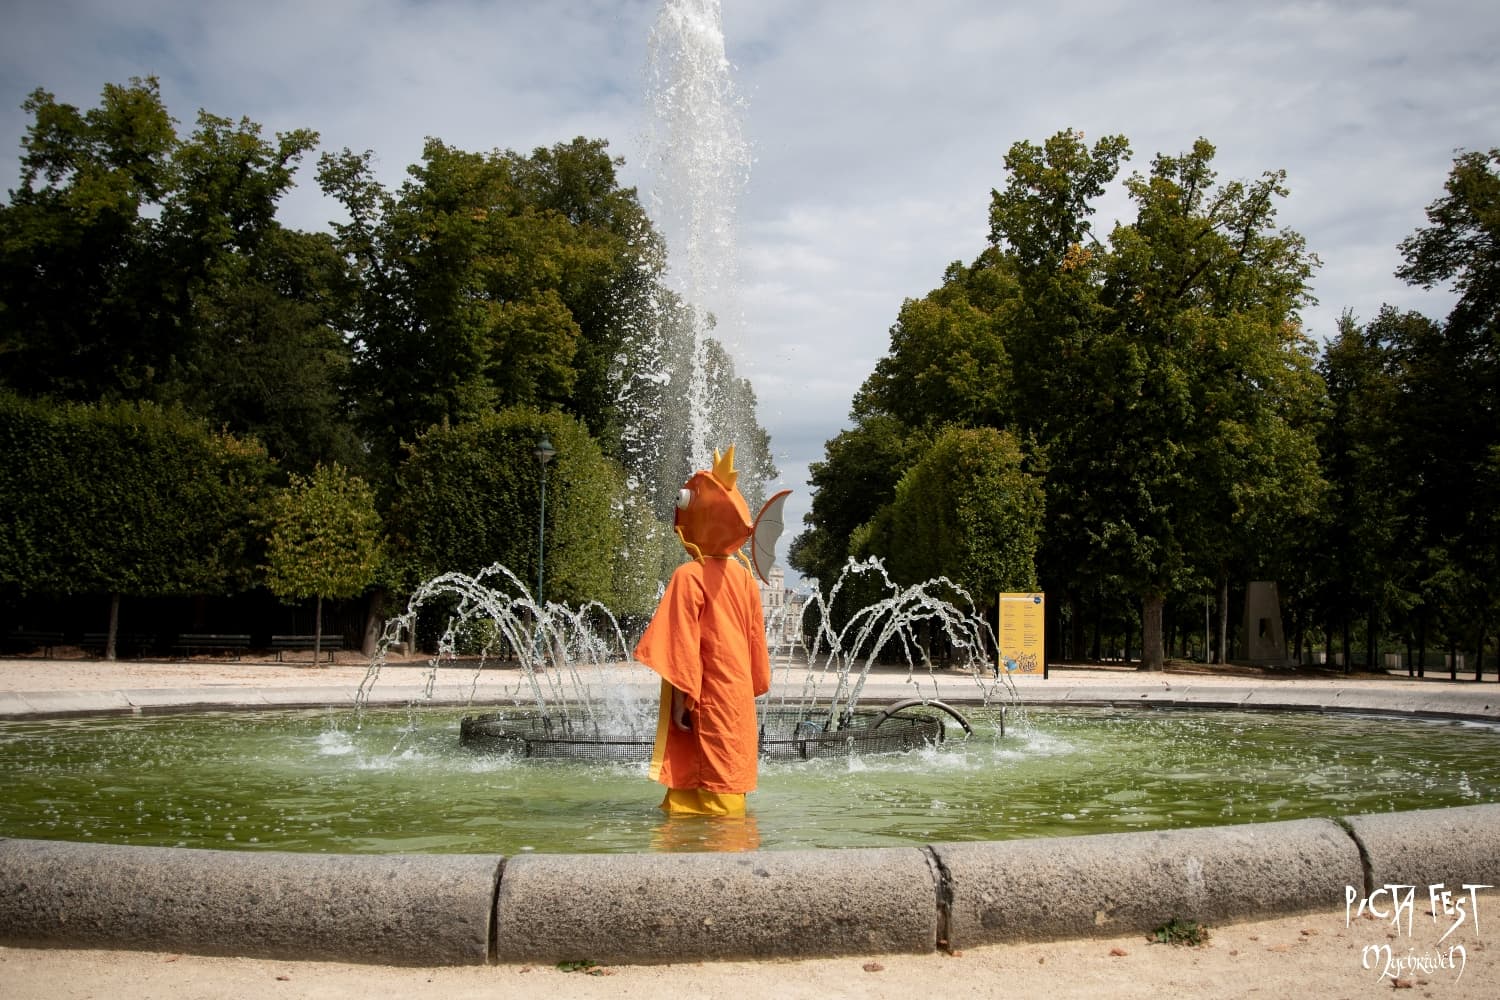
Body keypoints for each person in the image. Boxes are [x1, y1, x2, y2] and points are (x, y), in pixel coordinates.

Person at [633, 446, 787, 818]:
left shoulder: (689, 576)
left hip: (704, 690)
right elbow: (755, 645)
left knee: (698, 779)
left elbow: (681, 643)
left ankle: (696, 856)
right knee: (727, 773)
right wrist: (752, 684)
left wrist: (685, 697)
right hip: (735, 693)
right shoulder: (746, 578)